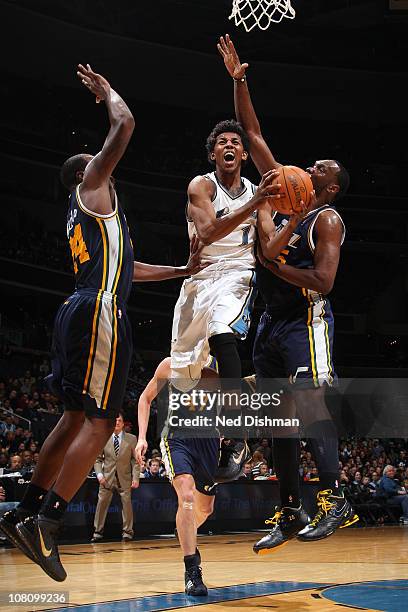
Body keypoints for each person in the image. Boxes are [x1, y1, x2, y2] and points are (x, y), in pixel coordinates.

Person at [0, 65, 205, 581]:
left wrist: (181, 269)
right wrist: (109, 92)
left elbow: (131, 268)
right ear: (85, 172)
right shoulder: (92, 184)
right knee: (98, 420)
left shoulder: (92, 219)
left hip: (79, 308)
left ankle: (25, 511)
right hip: (100, 310)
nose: (106, 167)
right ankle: (49, 522)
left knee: (71, 419)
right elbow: (126, 124)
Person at [218, 34, 357, 553]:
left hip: (306, 319)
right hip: (269, 324)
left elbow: (323, 282)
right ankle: (289, 508)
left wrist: (275, 267)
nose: (311, 166)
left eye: (321, 167)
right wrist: (239, 80)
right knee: (278, 421)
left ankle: (335, 498)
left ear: (330, 186)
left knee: (309, 401)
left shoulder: (327, 218)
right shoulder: (286, 194)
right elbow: (252, 131)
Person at [170, 119, 281, 396]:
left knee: (222, 328)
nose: (228, 145)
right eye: (222, 142)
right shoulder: (201, 186)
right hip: (200, 275)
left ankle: (234, 412)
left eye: (235, 142)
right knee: (184, 373)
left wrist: (293, 222)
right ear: (213, 154)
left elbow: (268, 244)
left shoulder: (259, 194)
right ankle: (223, 403)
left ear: (244, 154)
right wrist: (252, 206)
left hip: (238, 271)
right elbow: (207, 233)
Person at [136, 356, 250, 597]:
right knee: (186, 495)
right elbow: (145, 399)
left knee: (204, 509)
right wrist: (142, 438)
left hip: (208, 440)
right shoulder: (170, 364)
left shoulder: (220, 367)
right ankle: (192, 570)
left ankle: (184, 528)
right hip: (176, 438)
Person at [92, 413, 140, 542]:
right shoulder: (104, 437)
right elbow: (97, 459)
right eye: (115, 420)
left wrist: (136, 478)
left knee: (127, 505)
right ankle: (97, 532)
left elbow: (135, 461)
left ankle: (127, 533)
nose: (117, 422)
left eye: (119, 421)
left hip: (125, 478)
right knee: (101, 504)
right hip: (106, 478)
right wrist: (100, 475)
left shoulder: (132, 439)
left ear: (123, 424)